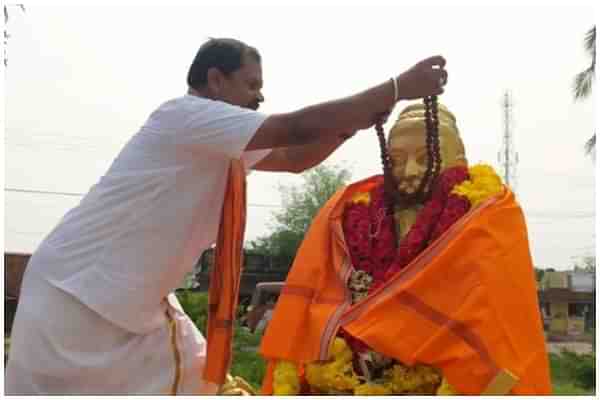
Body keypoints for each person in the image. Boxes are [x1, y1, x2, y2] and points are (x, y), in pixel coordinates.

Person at [5, 38, 448, 395]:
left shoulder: (219, 139)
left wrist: (359, 118)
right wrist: (395, 87)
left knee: (204, 383)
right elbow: (293, 128)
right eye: (252, 84)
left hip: (127, 307)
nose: (260, 96)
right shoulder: (186, 117)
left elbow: (298, 157)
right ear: (215, 80)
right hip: (78, 297)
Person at [259, 102, 552, 395]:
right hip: (344, 376)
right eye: (396, 160)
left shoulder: (485, 217)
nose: (409, 171)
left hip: (440, 379)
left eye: (426, 159)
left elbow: (496, 322)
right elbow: (318, 297)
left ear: (458, 160)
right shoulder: (350, 212)